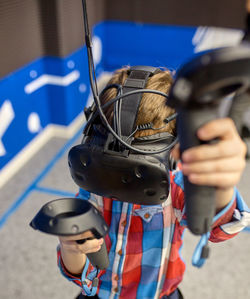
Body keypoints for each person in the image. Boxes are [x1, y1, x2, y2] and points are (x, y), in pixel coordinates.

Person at [57, 67, 248, 299]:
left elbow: (220, 228)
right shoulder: (94, 186)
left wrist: (222, 186)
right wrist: (71, 248)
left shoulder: (176, 187)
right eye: (111, 161)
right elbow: (79, 272)